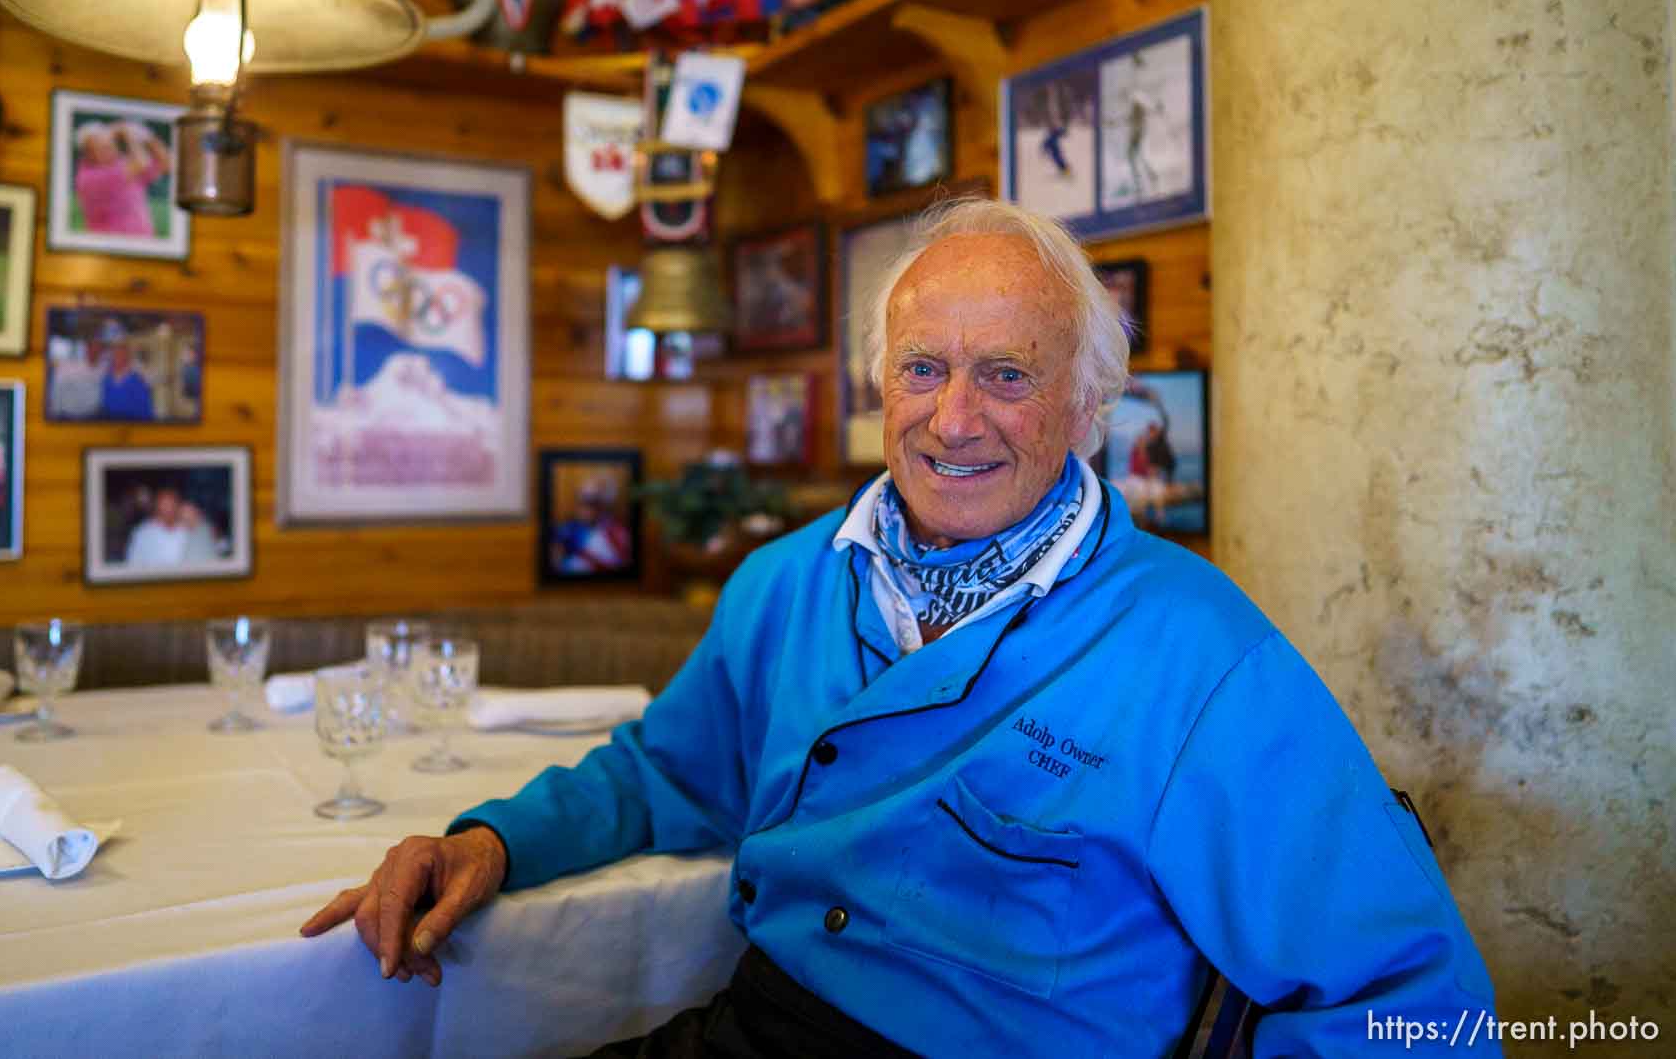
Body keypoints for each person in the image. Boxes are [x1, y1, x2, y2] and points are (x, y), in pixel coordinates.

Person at [302, 198, 1498, 1056]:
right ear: (879, 382)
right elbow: (664, 771)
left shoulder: (1201, 655)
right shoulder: (785, 582)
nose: (956, 418)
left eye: (1009, 376)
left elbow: (1415, 1002)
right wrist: (494, 843)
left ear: (1087, 405)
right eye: (924, 368)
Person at [73, 120, 172, 238]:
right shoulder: (89, 178)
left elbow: (167, 163)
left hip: (143, 242)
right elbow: (141, 162)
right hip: (111, 246)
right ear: (88, 153)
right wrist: (127, 133)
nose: (110, 150)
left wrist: (147, 136)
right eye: (102, 147)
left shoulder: (119, 164)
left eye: (110, 144)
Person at [124, 486, 192, 566]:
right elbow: (132, 563)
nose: (168, 509)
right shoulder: (142, 533)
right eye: (164, 504)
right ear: (156, 506)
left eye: (172, 503)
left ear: (178, 505)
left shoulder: (187, 529)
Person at [98, 332, 156, 421]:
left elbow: (146, 412)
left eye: (121, 353)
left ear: (127, 356)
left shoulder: (138, 380)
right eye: (114, 353)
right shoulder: (105, 378)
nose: (117, 356)